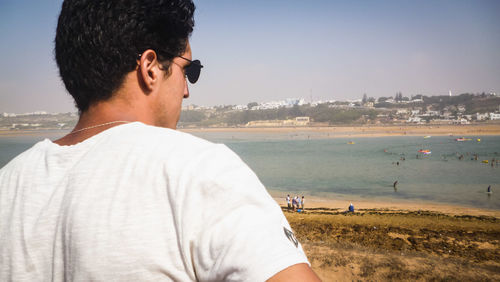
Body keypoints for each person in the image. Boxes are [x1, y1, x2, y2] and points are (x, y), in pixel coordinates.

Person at [0, 1, 319, 281]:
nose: (187, 90)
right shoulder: (200, 172)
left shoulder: (9, 182)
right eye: (189, 69)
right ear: (150, 67)